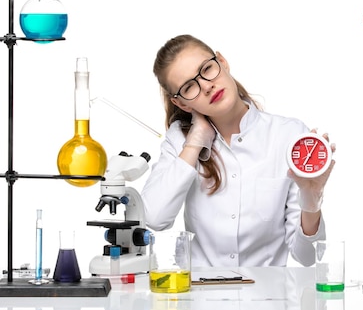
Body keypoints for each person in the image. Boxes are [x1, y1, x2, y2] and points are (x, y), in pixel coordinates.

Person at [141, 34, 335, 267]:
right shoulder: (179, 141)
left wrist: (311, 199)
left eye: (207, 69)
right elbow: (154, 218)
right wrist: (195, 141)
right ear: (182, 103)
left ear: (222, 62)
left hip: (267, 300)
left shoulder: (288, 135)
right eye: (190, 87)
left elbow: (307, 257)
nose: (206, 86)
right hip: (200, 299)